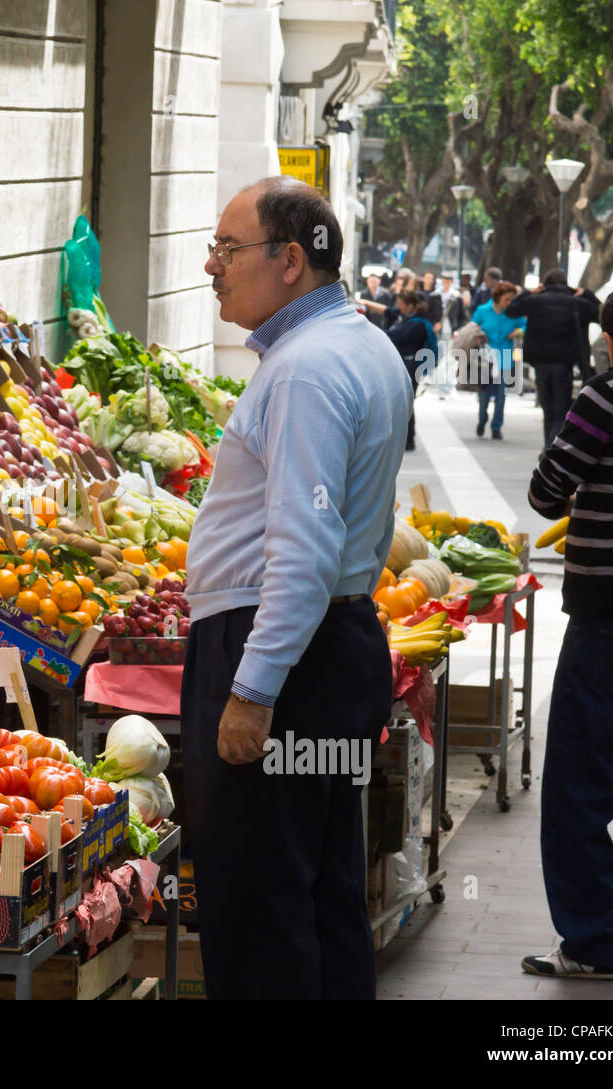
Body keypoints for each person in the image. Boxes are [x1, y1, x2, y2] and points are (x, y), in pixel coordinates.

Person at [189, 176, 412, 999]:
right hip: (329, 646)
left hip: (285, 655)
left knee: (260, 906)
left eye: (227, 247)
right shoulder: (357, 346)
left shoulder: (307, 371)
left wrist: (251, 688)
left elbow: (305, 548)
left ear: (290, 261)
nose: (211, 265)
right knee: (321, 892)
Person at [523, 281, 613, 980]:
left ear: (611, 340)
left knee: (581, 778)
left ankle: (591, 942)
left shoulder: (606, 397)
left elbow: (547, 490)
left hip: (612, 619)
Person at [505, 269, 600, 447]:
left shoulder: (535, 301)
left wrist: (529, 292)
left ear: (544, 284)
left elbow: (511, 309)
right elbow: (602, 314)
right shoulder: (576, 303)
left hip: (540, 361)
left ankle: (548, 445)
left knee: (547, 408)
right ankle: (552, 445)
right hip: (564, 363)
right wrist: (587, 294)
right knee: (561, 408)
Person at [358, 289, 437, 451]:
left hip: (411, 368)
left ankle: (409, 440)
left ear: (410, 306)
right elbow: (386, 310)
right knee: (403, 403)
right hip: (405, 367)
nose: (398, 308)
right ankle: (405, 439)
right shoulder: (406, 315)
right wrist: (364, 303)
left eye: (401, 305)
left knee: (406, 403)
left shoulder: (416, 325)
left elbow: (393, 335)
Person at [469, 281, 525, 439]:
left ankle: (496, 426)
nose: (510, 302)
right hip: (486, 358)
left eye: (512, 299)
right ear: (498, 297)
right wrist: (478, 337)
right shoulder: (483, 310)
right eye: (507, 299)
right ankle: (482, 420)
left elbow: (525, 326)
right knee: (484, 395)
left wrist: (518, 332)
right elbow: (472, 327)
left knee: (501, 395)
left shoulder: (514, 313)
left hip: (505, 357)